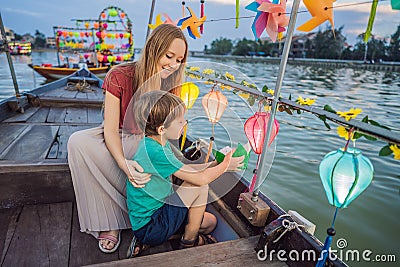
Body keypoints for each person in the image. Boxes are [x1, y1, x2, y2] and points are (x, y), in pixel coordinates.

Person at [67, 24, 190, 253]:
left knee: (146, 151)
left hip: (151, 141)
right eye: (169, 56)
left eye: (179, 60)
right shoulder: (119, 75)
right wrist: (124, 165)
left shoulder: (173, 82)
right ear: (153, 49)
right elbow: (110, 130)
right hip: (120, 136)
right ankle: (109, 222)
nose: (173, 65)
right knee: (78, 142)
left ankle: (146, 217)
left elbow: (170, 129)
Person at [126, 91, 243, 257]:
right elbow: (200, 179)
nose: (185, 123)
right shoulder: (156, 152)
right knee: (200, 186)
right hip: (151, 225)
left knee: (210, 223)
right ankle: (188, 243)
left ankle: (152, 242)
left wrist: (217, 163)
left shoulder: (157, 143)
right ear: (161, 129)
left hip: (160, 213)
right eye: (180, 120)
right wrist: (225, 166)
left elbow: (188, 171)